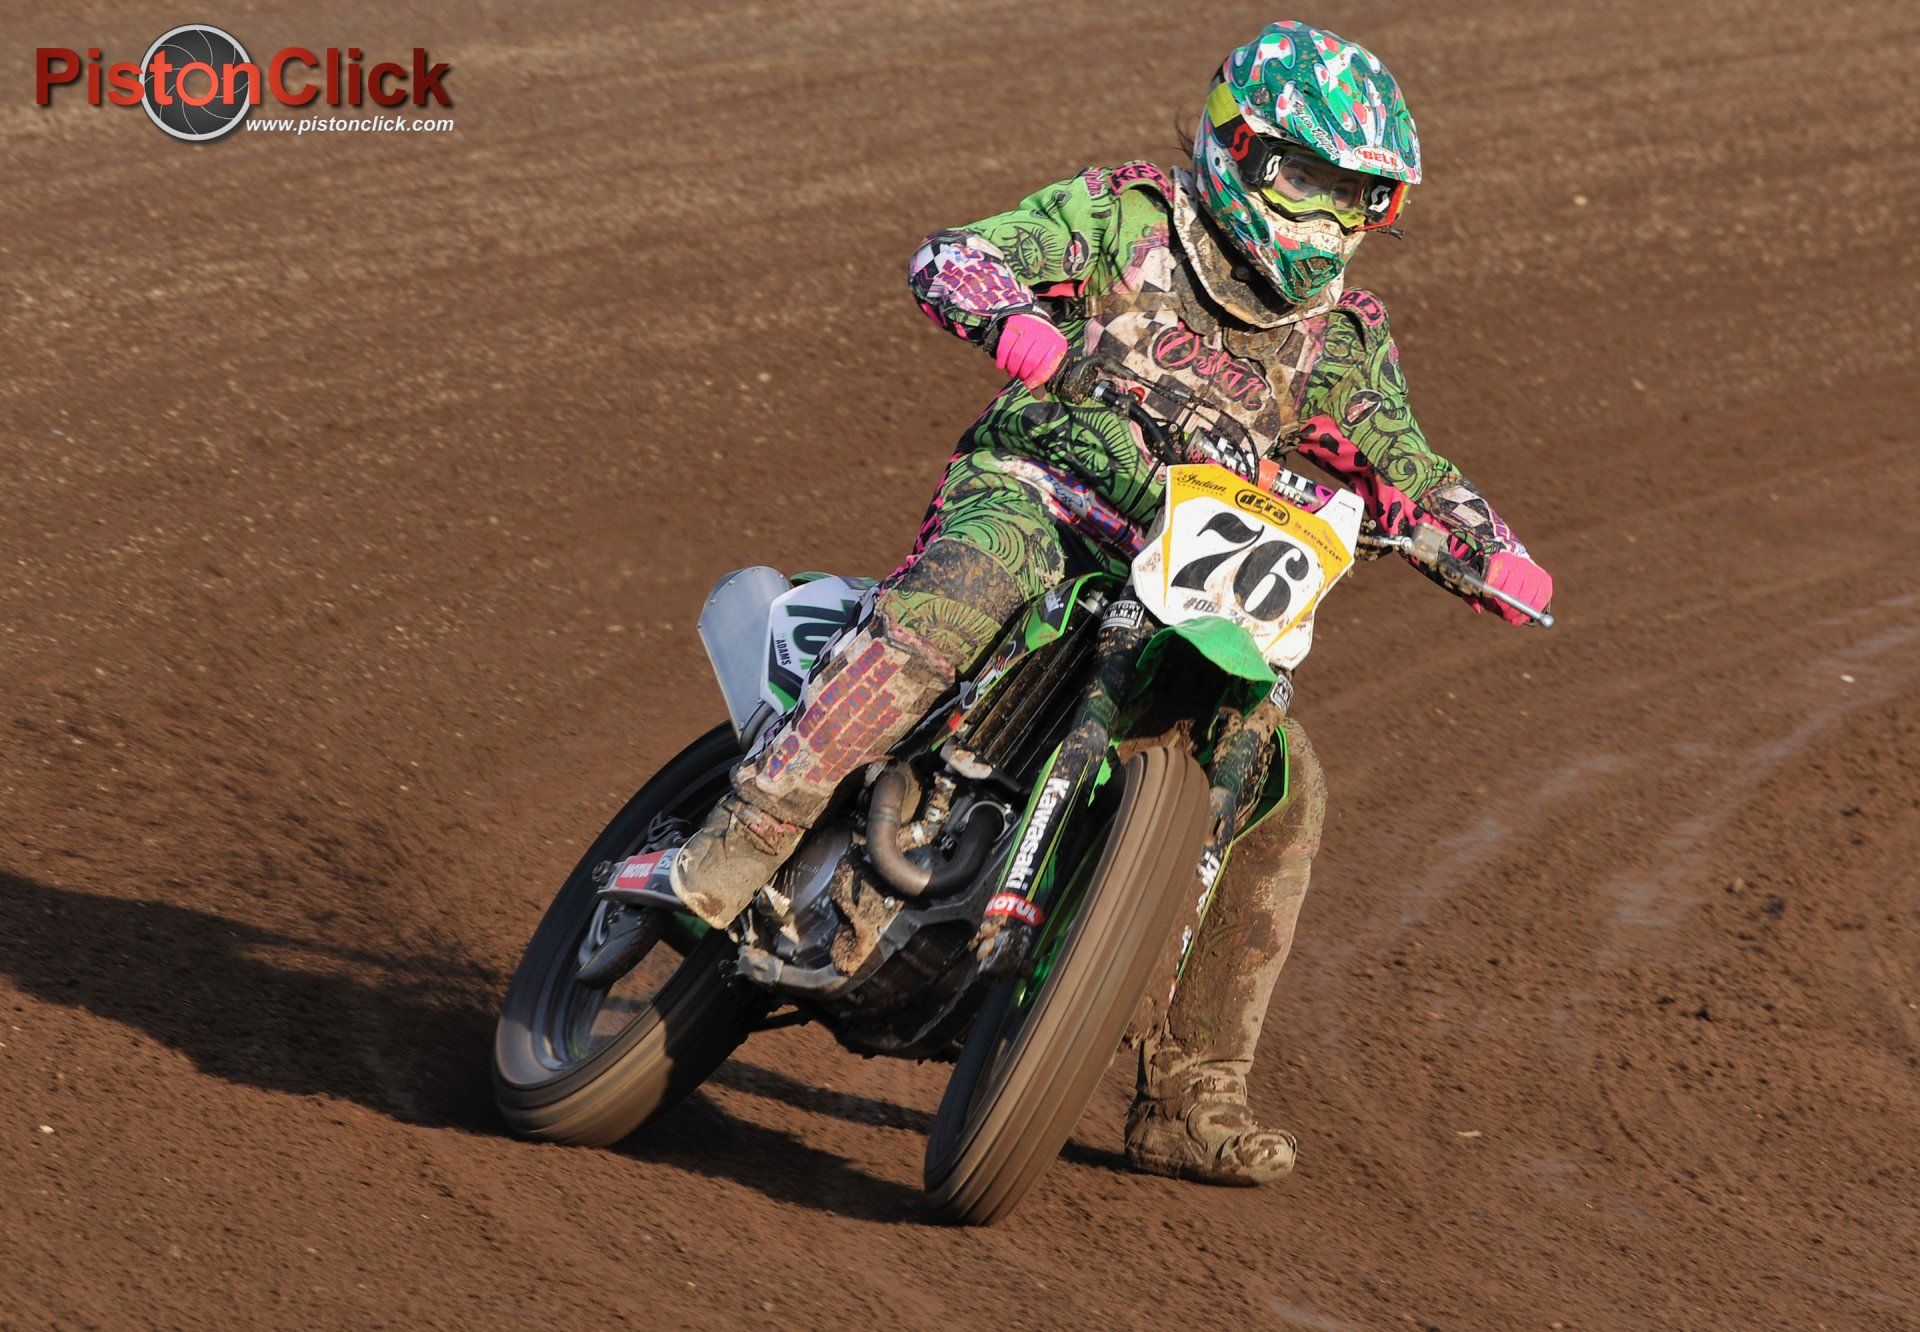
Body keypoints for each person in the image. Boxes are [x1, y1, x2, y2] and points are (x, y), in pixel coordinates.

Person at [626, 20, 1552, 1184]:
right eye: (1304, 182)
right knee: (973, 587)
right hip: (1041, 496)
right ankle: (738, 839)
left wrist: (1489, 547)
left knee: (1283, 777)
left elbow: (1406, 466)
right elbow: (957, 254)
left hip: (1181, 575)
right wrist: (1012, 317)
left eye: (1354, 199)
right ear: (1237, 145)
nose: (1321, 224)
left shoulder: (1342, 341)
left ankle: (1186, 1093)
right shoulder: (1129, 217)